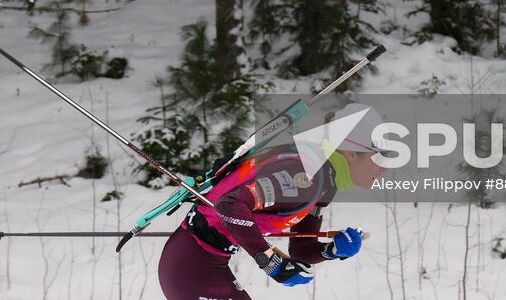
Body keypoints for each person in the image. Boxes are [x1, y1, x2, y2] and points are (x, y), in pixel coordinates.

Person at [157, 104, 386, 299]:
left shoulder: (323, 180)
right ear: (352, 153)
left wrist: (331, 250)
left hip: (198, 263)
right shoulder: (305, 177)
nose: (384, 168)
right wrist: (270, 262)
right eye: (380, 156)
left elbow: (300, 250)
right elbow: (230, 205)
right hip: (192, 267)